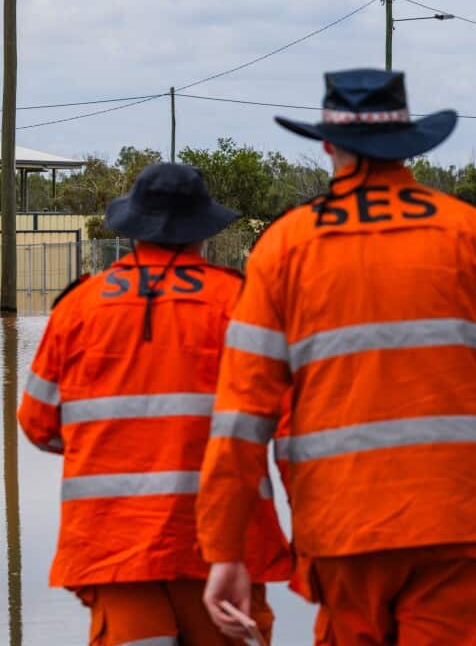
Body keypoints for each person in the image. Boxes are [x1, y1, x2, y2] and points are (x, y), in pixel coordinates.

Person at [197, 69, 476, 645]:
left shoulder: (283, 249)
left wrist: (224, 549)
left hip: (342, 527)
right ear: (409, 142)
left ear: (328, 146)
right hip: (458, 522)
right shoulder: (473, 235)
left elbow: (241, 420)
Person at [18, 162, 292, 645]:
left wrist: (109, 443)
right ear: (202, 232)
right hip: (223, 543)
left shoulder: (78, 308)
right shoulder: (241, 303)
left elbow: (39, 424)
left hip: (113, 542)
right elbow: (286, 423)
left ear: (134, 229)